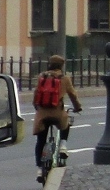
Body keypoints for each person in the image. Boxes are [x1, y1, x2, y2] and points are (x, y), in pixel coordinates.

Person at [32, 54, 82, 182]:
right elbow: (73, 95)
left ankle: (39, 169)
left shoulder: (41, 77)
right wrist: (77, 107)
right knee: (67, 121)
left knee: (40, 141)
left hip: (42, 114)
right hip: (57, 114)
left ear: (49, 64)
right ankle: (63, 146)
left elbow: (37, 94)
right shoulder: (64, 79)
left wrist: (37, 108)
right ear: (61, 66)